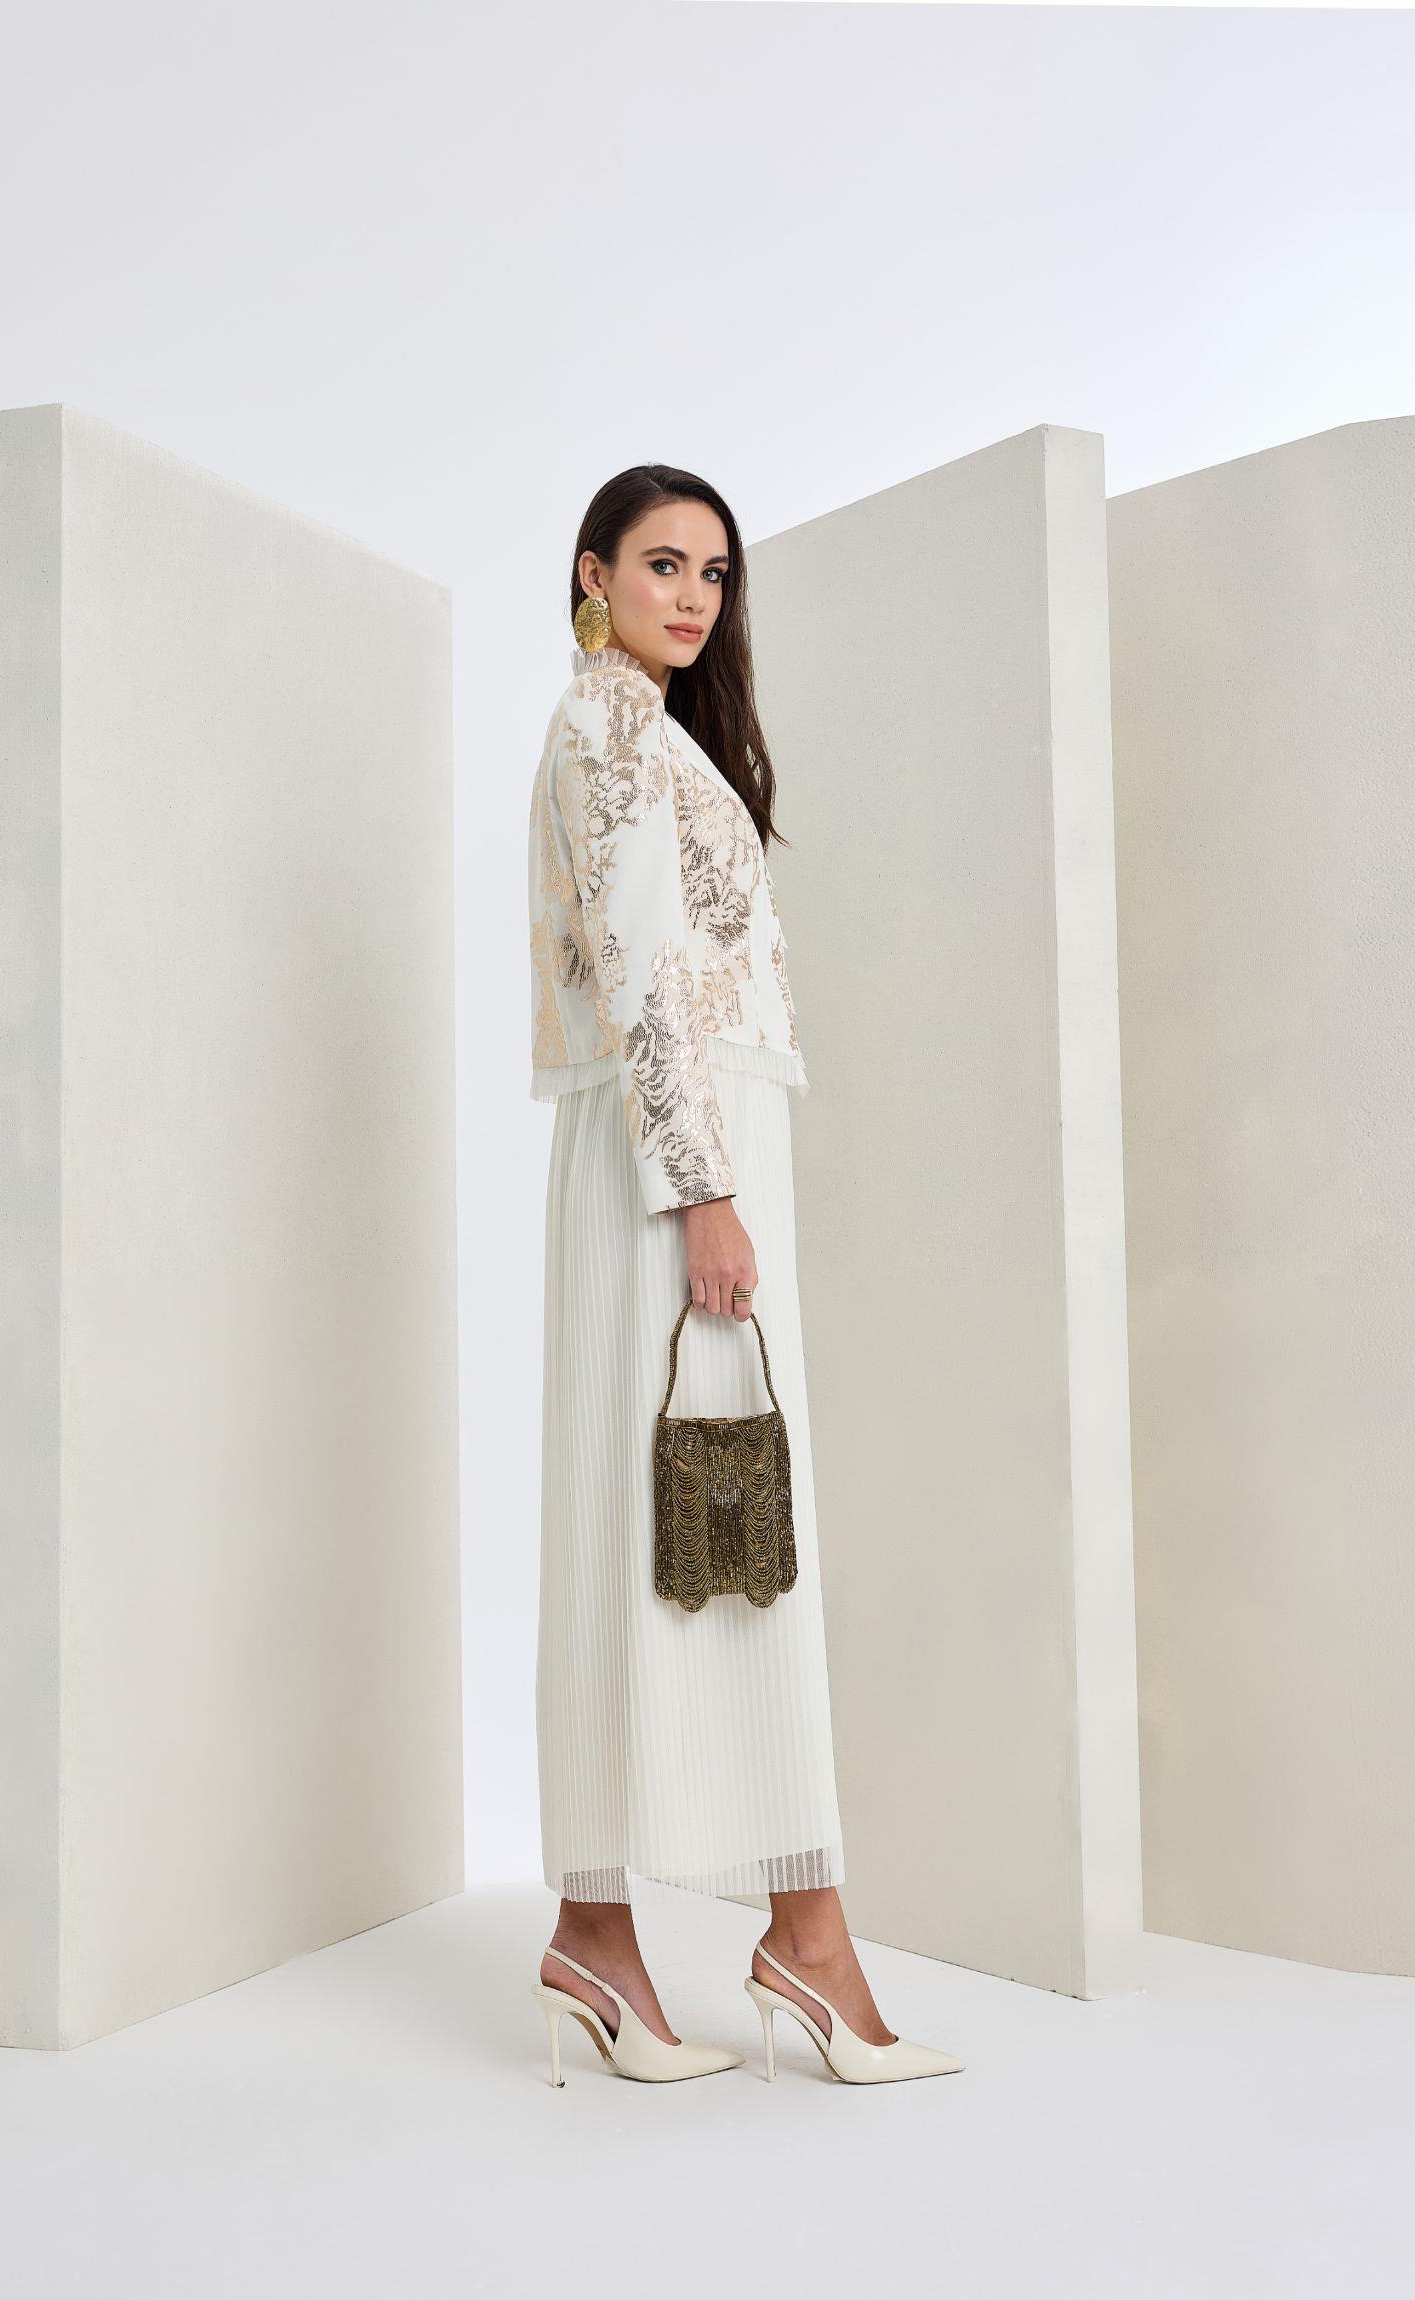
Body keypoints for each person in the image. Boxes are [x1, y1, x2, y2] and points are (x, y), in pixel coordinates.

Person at [523, 464, 963, 2087]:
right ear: (593, 574)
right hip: (676, 1168)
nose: (695, 596)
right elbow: (647, 975)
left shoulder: (649, 727)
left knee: (689, 1530)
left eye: (714, 572)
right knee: (712, 1531)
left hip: (684, 1151)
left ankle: (619, 1932)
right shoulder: (608, 726)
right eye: (662, 564)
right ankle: (800, 1935)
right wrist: (705, 1193)